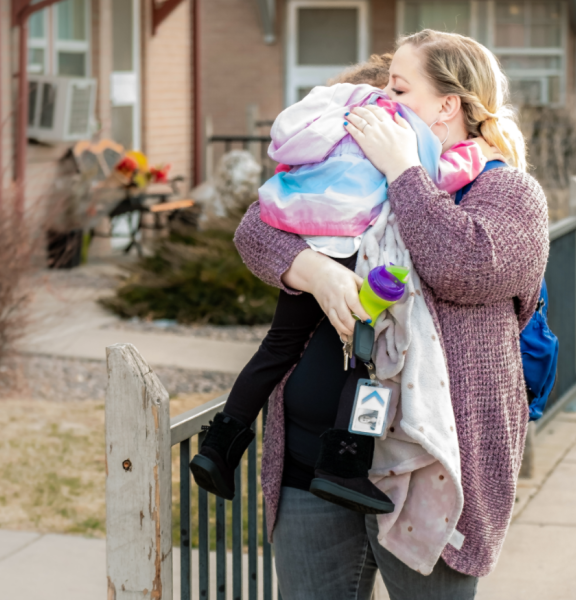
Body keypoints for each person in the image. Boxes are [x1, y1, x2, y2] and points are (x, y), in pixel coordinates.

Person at [235, 30, 548, 599]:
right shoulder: (352, 176)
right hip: (312, 465)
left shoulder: (508, 195)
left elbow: (464, 266)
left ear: (447, 105)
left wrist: (405, 171)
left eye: (398, 88)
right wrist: (317, 270)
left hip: (425, 475)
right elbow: (257, 227)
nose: (381, 97)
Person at [190, 53, 504, 515]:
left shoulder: (335, 119)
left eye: (401, 87)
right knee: (366, 358)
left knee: (278, 344)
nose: (392, 96)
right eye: (392, 87)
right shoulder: (400, 130)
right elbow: (437, 181)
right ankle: (342, 466)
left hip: (309, 231)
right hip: (361, 250)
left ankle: (219, 446)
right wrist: (479, 155)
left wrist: (308, 259)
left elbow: (285, 164)